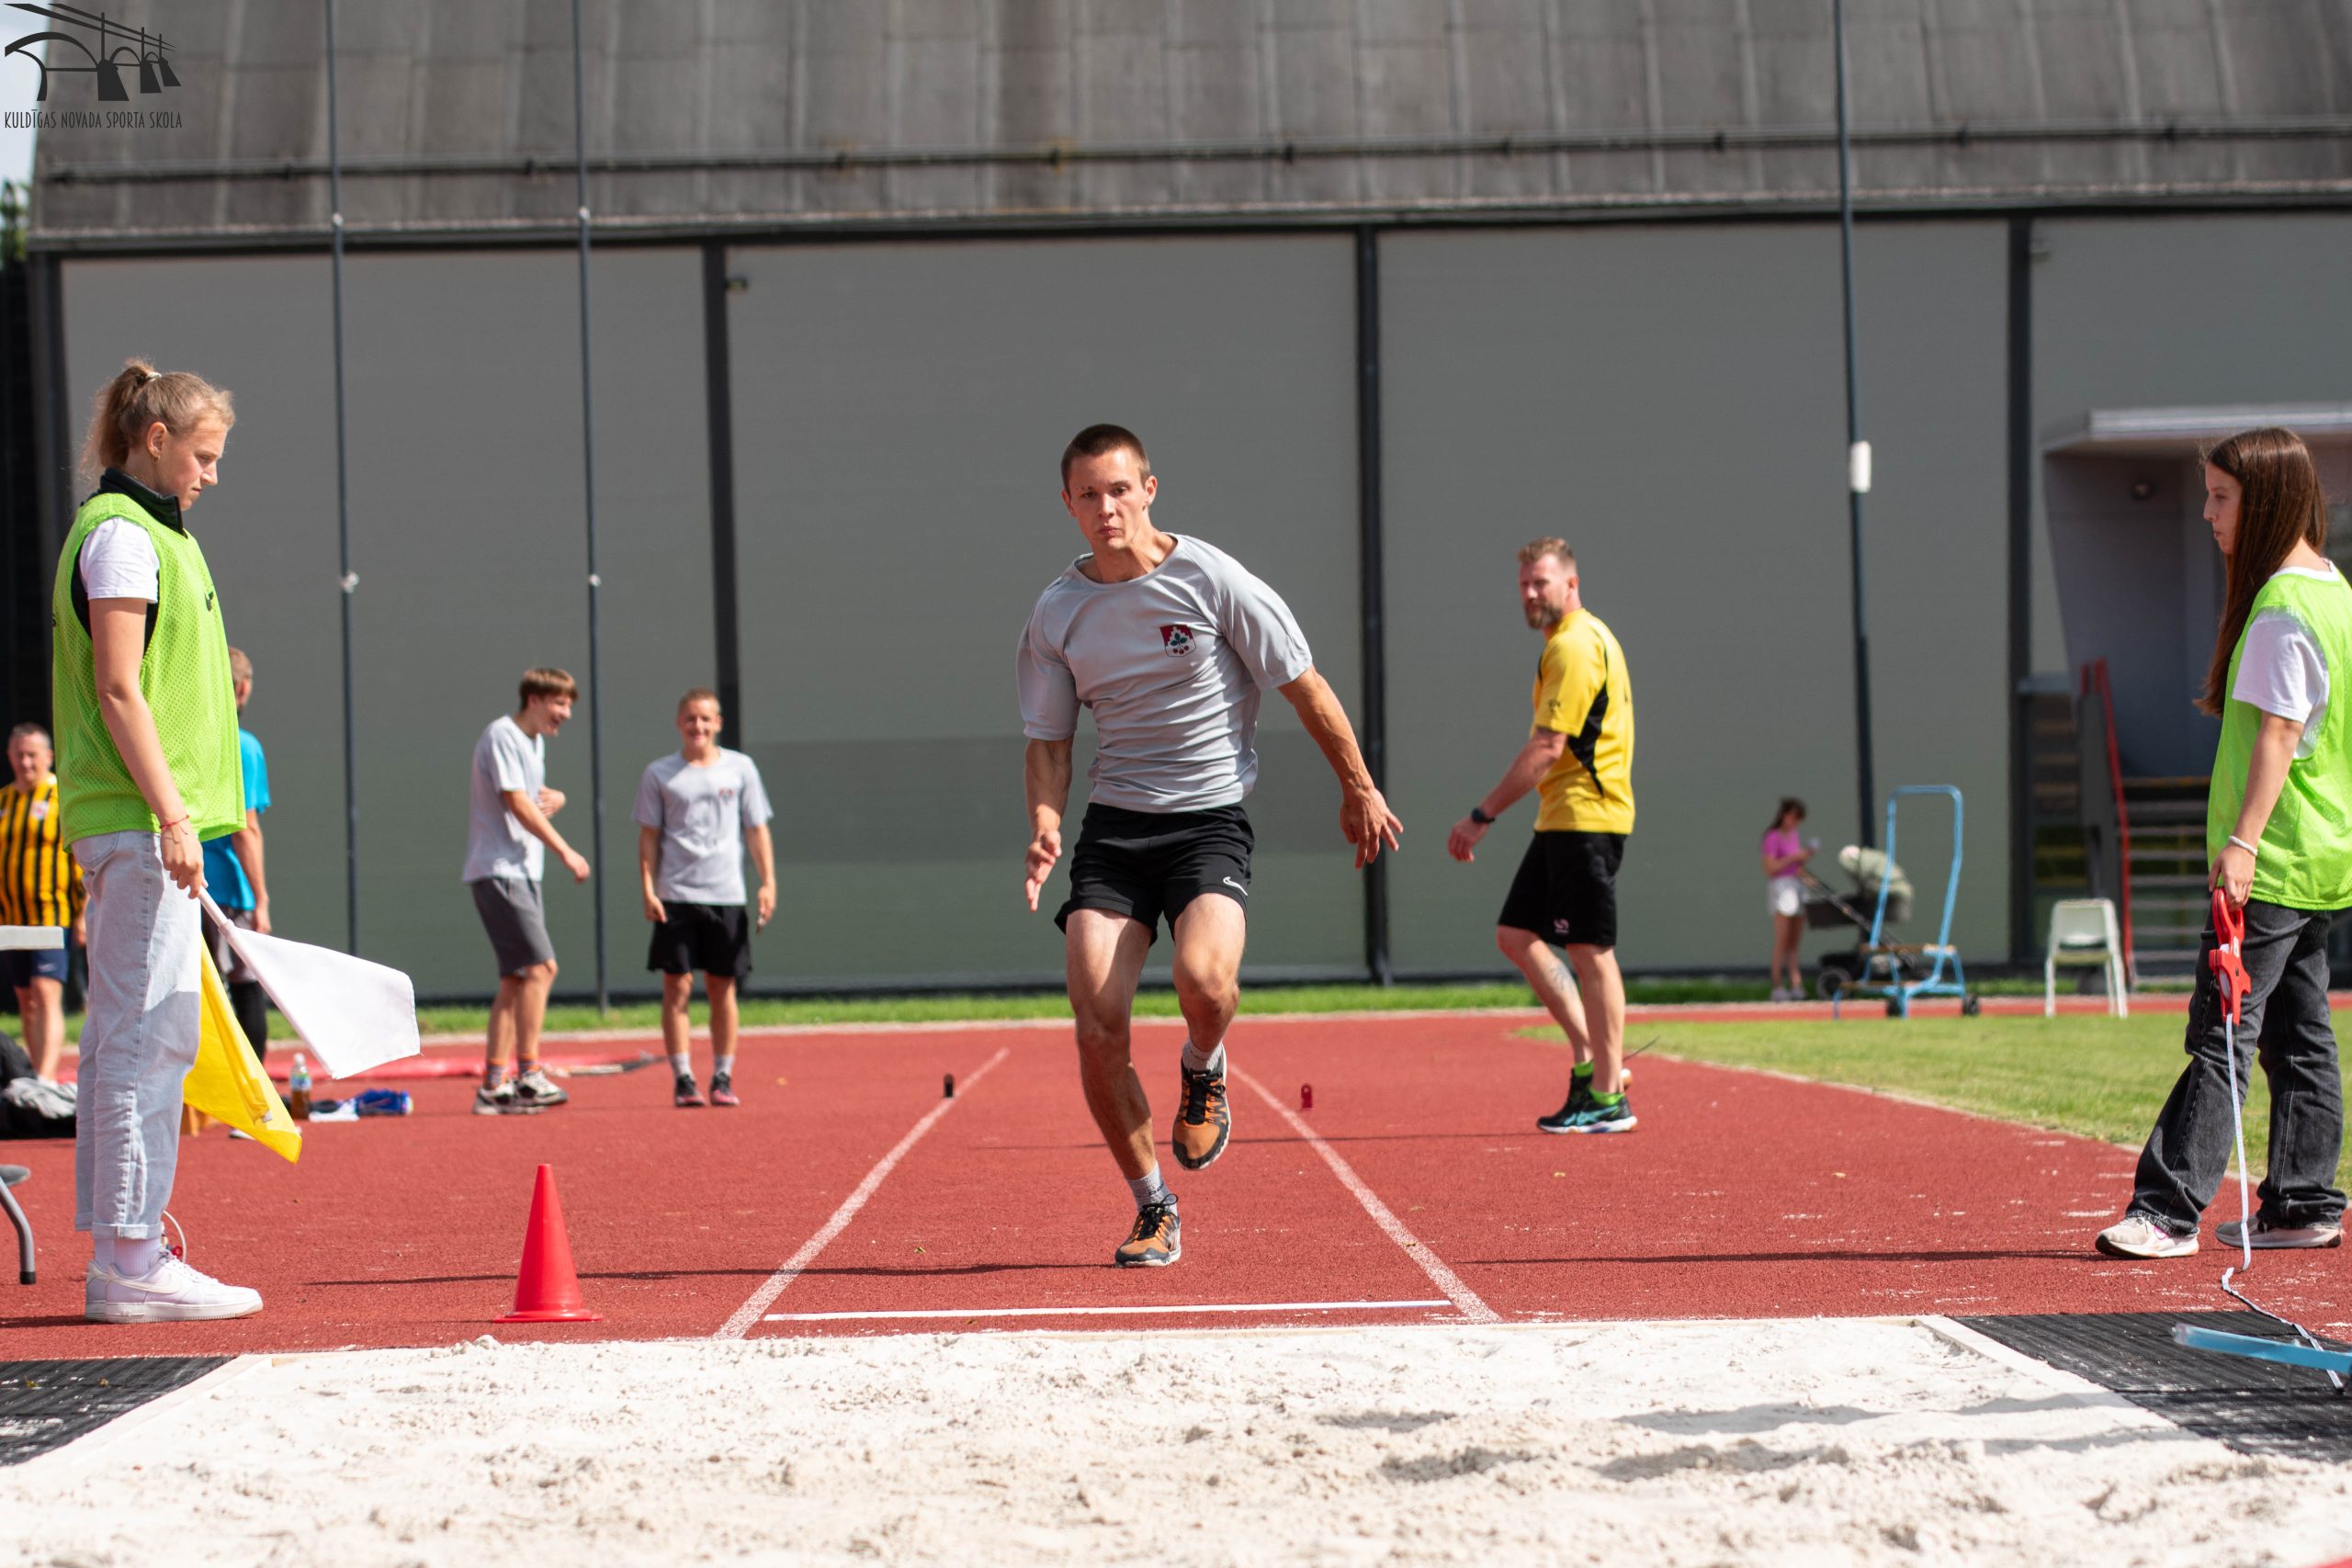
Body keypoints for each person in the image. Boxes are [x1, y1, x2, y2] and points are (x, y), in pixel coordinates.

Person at [1018, 423, 1400, 1269]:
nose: (1107, 507)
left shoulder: (1213, 579)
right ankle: (1154, 1204)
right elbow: (1049, 742)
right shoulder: (1058, 611)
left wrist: (1359, 785)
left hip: (1206, 822)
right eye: (1089, 494)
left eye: (1120, 489)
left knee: (1204, 980)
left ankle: (1203, 1062)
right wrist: (1045, 821)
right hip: (1114, 831)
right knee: (1096, 1023)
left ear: (1149, 489)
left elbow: (1303, 684)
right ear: (1068, 504)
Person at [2098, 427, 2352, 1260]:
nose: (2208, 514)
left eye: (2220, 497)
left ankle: (2167, 1210)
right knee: (2300, 1034)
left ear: (2266, 500)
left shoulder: (2281, 607)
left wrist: (2241, 843)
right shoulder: (2335, 591)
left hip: (2270, 859)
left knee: (2224, 1031)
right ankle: (2303, 1203)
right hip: (2321, 854)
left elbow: (2279, 732)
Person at [52, 358, 260, 1321]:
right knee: (146, 1036)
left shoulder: (153, 534)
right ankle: (131, 1259)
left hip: (141, 821)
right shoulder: (125, 537)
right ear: (156, 439)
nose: (212, 474)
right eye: (203, 455)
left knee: (127, 1036)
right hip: (140, 823)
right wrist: (174, 815)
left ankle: (123, 1248)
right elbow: (118, 687)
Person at [1447, 538, 1637, 1135]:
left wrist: (1481, 814)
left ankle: (1608, 1096)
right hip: (1562, 819)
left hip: (1587, 817)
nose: (1530, 593)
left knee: (1590, 951)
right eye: (1524, 584)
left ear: (1571, 584)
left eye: (1541, 583)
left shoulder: (1576, 645)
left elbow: (1549, 747)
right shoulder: (1573, 640)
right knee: (1516, 934)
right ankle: (1593, 1058)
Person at [635, 688, 775, 1109]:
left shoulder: (741, 768)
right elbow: (648, 837)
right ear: (678, 722)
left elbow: (756, 829)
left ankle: (722, 1076)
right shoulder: (659, 773)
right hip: (676, 894)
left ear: (718, 724)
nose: (698, 726)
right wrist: (648, 889)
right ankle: (683, 1078)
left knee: (721, 986)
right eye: (690, 718)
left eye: (705, 718)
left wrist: (767, 882)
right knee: (677, 986)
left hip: (726, 895)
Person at [463, 668, 591, 1115]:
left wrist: (560, 798)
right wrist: (565, 851)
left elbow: (531, 794)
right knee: (541, 968)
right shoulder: (502, 734)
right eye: (560, 703)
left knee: (516, 979)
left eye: (569, 704)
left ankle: (493, 1086)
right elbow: (517, 803)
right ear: (534, 700)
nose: (566, 713)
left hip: (518, 872)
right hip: (501, 871)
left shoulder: (533, 743)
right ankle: (530, 1075)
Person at [0, 723, 85, 1083]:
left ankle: (46, 1080)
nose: (25, 762)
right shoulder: (4, 800)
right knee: (25, 998)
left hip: (52, 913)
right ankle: (34, 1076)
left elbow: (81, 857)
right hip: (11, 916)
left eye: (32, 755)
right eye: (19, 755)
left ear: (48, 756)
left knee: (46, 991)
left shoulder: (62, 798)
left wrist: (83, 914)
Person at [198, 647, 270, 1058]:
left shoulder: (184, 740)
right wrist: (261, 899)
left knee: (197, 990)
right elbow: (246, 829)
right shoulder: (243, 747)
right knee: (246, 982)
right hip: (228, 885)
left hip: (185, 880)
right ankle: (251, 1088)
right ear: (242, 689)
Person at [1760, 797, 1812, 1001]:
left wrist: (1804, 865)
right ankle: (1777, 986)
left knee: (1794, 941)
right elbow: (1769, 868)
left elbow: (1796, 867)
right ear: (1784, 815)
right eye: (1793, 817)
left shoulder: (1794, 835)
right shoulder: (1772, 837)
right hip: (1781, 888)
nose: (1795, 823)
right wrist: (1793, 857)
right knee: (1782, 939)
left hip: (1797, 885)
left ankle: (1796, 983)